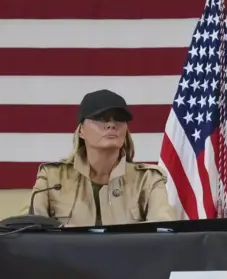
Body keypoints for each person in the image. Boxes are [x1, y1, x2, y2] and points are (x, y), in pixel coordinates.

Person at [28, 89, 177, 227]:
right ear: (81, 130)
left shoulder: (148, 180)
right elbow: (31, 235)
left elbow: (163, 234)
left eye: (119, 119)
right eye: (101, 118)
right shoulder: (51, 178)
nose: (111, 125)